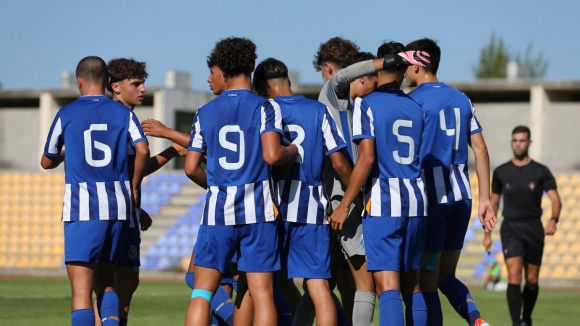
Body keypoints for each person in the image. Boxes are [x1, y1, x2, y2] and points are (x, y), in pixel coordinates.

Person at [308, 37, 429, 326]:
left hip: (383, 200)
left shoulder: (367, 103)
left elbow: (367, 158)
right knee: (412, 287)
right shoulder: (417, 107)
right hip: (416, 201)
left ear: (376, 70)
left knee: (383, 287)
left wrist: (347, 202)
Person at [184, 37, 298, 326]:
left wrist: (216, 185)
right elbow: (273, 155)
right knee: (262, 294)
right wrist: (293, 150)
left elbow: (189, 167)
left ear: (223, 70)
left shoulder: (204, 112)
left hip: (217, 212)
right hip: (257, 213)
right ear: (250, 66)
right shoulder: (265, 107)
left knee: (201, 292)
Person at [40, 56, 150, 326]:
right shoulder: (124, 113)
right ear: (107, 82)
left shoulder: (66, 113)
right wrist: (134, 185)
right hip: (118, 207)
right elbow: (143, 149)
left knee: (81, 289)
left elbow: (46, 160)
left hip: (83, 206)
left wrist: (69, 151)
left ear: (79, 81)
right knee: (106, 280)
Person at [253, 57, 353, 326]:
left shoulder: (262, 109)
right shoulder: (317, 110)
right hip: (312, 208)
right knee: (318, 286)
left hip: (269, 210)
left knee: (256, 284)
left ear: (264, 87)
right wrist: (357, 195)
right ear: (286, 80)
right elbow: (340, 163)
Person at [404, 38, 495, 326]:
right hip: (462, 199)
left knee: (426, 282)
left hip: (433, 201)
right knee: (446, 277)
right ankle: (478, 322)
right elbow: (480, 149)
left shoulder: (413, 101)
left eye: (406, 64)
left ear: (419, 64)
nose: (404, 71)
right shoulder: (461, 98)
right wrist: (485, 200)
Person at [143, 63, 237, 326]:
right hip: (248, 209)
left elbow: (204, 155)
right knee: (230, 283)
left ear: (227, 75)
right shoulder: (251, 109)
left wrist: (167, 133)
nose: (207, 79)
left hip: (226, 211)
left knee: (202, 280)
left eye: (213, 73)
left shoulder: (216, 112)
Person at [102, 57, 187, 326]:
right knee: (120, 281)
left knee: (113, 282)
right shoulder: (123, 117)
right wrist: (173, 151)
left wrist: (138, 209)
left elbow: (121, 170)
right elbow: (132, 169)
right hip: (118, 210)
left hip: (110, 206)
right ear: (115, 87)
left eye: (143, 83)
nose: (142, 89)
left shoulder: (105, 115)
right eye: (135, 83)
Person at [483, 126, 561, 326]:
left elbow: (555, 200)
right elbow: (493, 204)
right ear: (511, 142)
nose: (518, 144)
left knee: (532, 280)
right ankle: (516, 324)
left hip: (534, 227)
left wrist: (554, 219)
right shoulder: (501, 172)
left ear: (529, 143)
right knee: (514, 275)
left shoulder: (541, 171)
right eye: (515, 140)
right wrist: (487, 234)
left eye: (522, 140)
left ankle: (526, 318)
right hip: (511, 228)